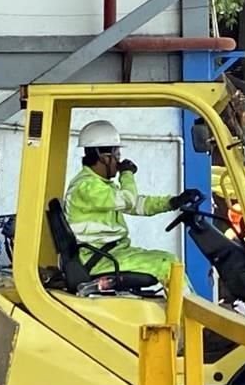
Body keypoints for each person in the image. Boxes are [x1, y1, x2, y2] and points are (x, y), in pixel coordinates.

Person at [64, 120, 201, 285]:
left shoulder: (100, 185)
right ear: (104, 156)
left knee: (170, 259)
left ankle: (182, 309)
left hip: (111, 253)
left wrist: (173, 202)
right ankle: (184, 311)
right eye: (117, 155)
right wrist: (126, 174)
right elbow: (128, 200)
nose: (119, 161)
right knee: (167, 266)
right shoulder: (86, 186)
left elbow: (137, 204)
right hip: (99, 260)